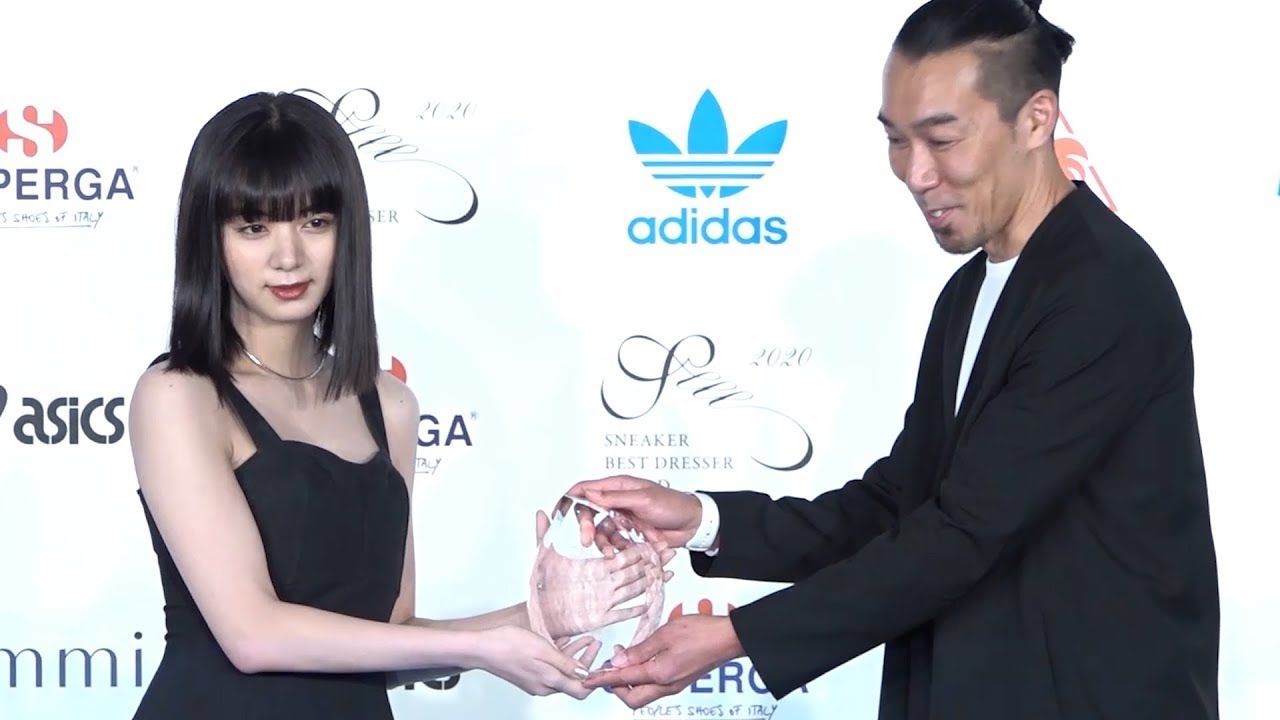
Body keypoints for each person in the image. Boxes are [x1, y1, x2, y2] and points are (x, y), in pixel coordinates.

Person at [568, 1, 1221, 718]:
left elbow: (963, 532)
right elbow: (901, 503)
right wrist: (705, 519)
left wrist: (738, 636)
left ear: (1036, 120)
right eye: (895, 140)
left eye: (942, 139)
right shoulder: (971, 291)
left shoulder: (1102, 290)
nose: (915, 172)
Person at [129, 91, 667, 719]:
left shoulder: (389, 404)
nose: (288, 256)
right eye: (254, 227)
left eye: (314, 222)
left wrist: (543, 613)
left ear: (346, 230)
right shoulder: (180, 394)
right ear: (211, 239)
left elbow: (391, 637)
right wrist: (483, 650)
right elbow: (253, 634)